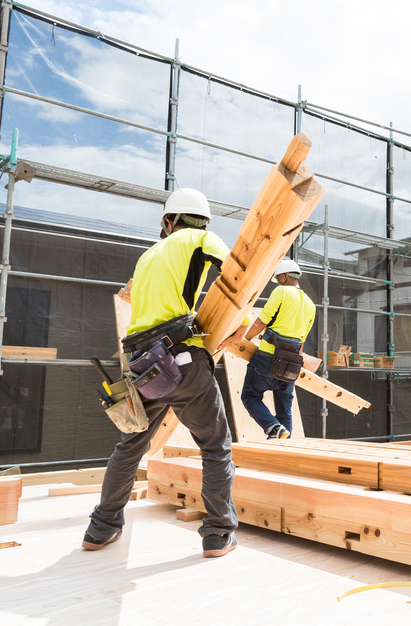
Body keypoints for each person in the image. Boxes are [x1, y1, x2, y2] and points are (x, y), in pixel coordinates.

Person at [83, 188, 239, 558]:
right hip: (182, 358)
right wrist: (241, 324)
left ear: (168, 221)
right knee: (215, 447)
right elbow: (237, 274)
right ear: (203, 222)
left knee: (130, 447)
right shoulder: (202, 238)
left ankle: (101, 528)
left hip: (142, 364)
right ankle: (218, 534)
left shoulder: (146, 257)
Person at [236, 258, 316, 440]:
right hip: (291, 362)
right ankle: (283, 444)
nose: (278, 283)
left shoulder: (281, 292)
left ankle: (273, 428)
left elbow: (261, 321)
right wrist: (296, 364)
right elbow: (301, 341)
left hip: (268, 357)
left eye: (278, 279)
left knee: (250, 396)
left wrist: (244, 339)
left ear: (283, 277)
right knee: (284, 409)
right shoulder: (311, 304)